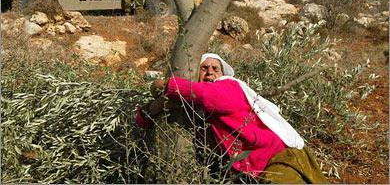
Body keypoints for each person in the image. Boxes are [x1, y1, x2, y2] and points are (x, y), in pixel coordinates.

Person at [135, 53, 328, 184]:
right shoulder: (193, 107)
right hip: (255, 169)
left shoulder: (229, 86)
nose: (210, 72)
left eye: (215, 68)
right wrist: (153, 108)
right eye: (204, 68)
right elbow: (142, 122)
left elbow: (210, 96)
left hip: (278, 158)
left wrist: (164, 85)